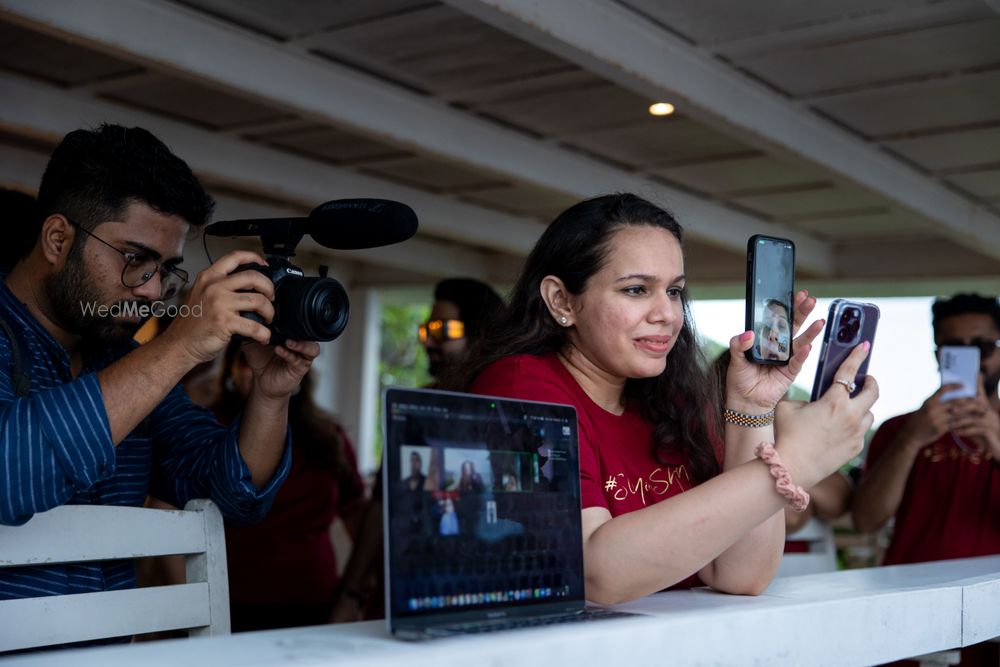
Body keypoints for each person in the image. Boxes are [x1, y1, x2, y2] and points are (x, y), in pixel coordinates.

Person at [458, 193, 877, 604]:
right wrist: (795, 464)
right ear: (561, 300)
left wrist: (753, 409)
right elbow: (593, 572)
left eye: (674, 291)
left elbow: (740, 572)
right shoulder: (519, 387)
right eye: (637, 290)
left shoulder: (668, 401)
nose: (668, 314)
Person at [0, 125, 318, 611]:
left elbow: (235, 492)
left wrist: (271, 394)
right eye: (135, 258)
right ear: (58, 238)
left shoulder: (124, 361)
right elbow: (9, 473)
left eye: (167, 269)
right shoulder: (144, 362)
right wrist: (179, 347)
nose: (152, 290)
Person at [853, 293, 1000, 666]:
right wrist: (911, 440)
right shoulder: (899, 429)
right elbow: (866, 520)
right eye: (955, 348)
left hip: (992, 620)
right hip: (907, 613)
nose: (973, 360)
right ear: (938, 354)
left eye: (983, 347)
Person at [210, 341, 365, 631]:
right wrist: (193, 609)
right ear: (230, 368)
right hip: (232, 609)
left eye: (275, 358)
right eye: (248, 360)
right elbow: (172, 511)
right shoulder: (208, 426)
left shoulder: (328, 438)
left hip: (318, 608)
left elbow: (358, 515)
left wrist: (353, 594)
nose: (261, 368)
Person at [420, 277, 503, 386]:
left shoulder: (502, 393)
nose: (427, 342)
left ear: (480, 334)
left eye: (442, 330)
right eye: (425, 331)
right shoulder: (424, 397)